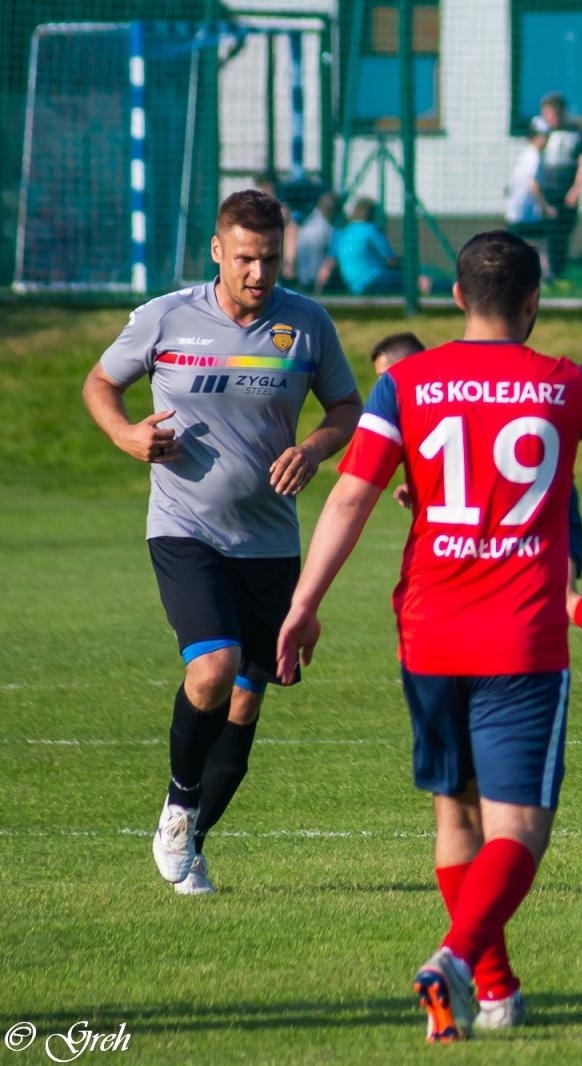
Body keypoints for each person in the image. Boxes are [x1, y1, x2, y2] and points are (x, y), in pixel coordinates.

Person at [275, 230, 582, 1043]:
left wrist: (303, 603)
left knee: (455, 816)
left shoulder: (407, 384)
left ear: (458, 298)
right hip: (520, 640)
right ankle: (457, 962)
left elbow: (353, 497)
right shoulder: (561, 384)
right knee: (520, 828)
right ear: (535, 304)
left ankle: (493, 992)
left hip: (428, 631)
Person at [81, 189, 361, 896]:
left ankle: (193, 841)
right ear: (217, 251)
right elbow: (100, 382)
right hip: (184, 528)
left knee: (244, 701)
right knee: (213, 667)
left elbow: (347, 408)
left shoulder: (306, 323)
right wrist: (125, 434)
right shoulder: (167, 317)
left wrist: (317, 447)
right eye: (244, 259)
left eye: (269, 259)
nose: (258, 274)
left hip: (268, 541)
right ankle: (178, 802)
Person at [372, 332, 582, 697]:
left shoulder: (444, 387)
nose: (382, 384)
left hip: (541, 499)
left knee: (559, 597)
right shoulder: (437, 392)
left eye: (385, 375)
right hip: (523, 501)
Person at [528, 92, 582, 287]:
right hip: (546, 192)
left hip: (566, 191)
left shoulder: (576, 134)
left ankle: (559, 273)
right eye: (546, 114)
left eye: (553, 113)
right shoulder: (543, 134)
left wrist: (577, 188)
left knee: (563, 233)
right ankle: (548, 275)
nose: (551, 118)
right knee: (547, 234)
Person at [334, 197, 432, 297]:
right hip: (374, 282)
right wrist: (413, 268)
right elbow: (391, 261)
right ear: (372, 213)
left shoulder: (343, 233)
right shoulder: (371, 230)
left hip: (353, 286)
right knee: (417, 279)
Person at [295, 192, 339, 293]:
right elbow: (329, 262)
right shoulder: (327, 230)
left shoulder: (307, 225)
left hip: (303, 278)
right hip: (317, 282)